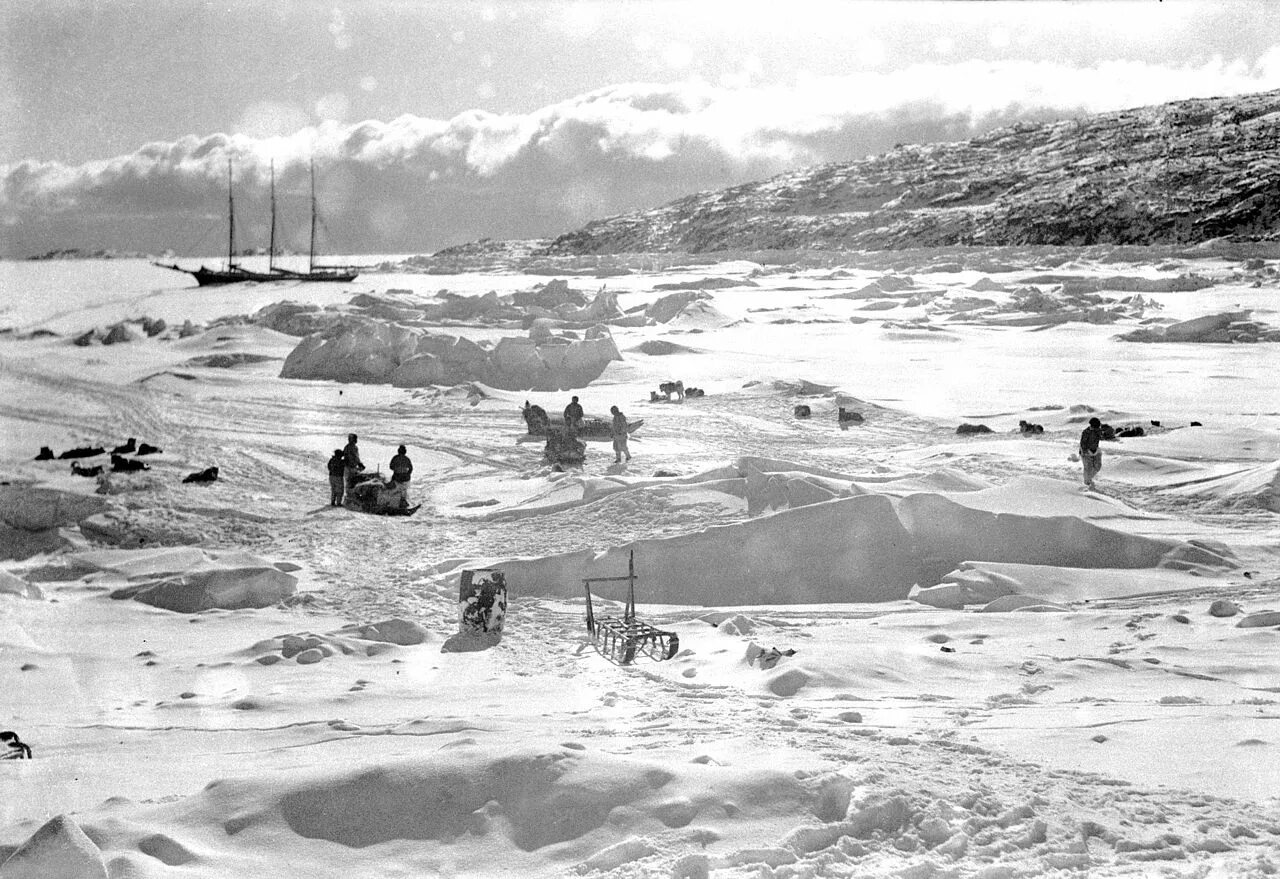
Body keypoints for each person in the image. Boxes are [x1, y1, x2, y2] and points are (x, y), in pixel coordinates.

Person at [1079, 417, 1104, 487]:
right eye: (1097, 426)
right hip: (1086, 451)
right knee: (1088, 467)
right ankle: (1087, 483)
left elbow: (1102, 437)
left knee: (1098, 466)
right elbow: (1083, 444)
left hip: (1095, 450)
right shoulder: (1086, 432)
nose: (1098, 428)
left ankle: (1089, 478)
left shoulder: (1098, 431)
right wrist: (1085, 452)